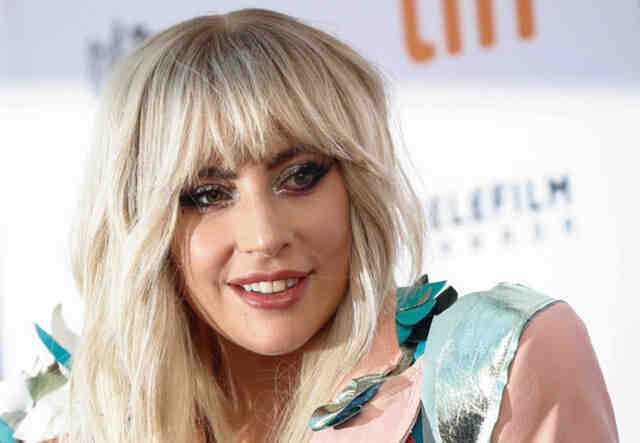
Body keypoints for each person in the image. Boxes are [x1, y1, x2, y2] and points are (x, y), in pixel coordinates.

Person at [5, 8, 617, 443]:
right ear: (142, 224)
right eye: (208, 194)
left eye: (299, 176)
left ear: (356, 185)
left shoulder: (494, 366)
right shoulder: (59, 419)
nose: (265, 235)